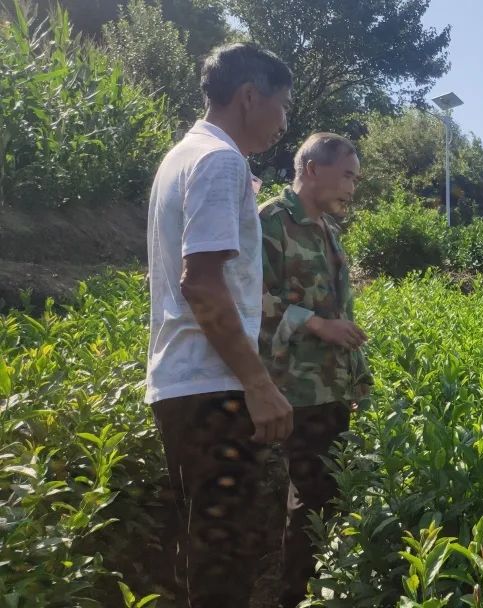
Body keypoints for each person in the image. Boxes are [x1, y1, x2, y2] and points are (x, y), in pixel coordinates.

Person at [144, 42, 294, 607]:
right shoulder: (220, 159)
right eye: (281, 106)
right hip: (214, 390)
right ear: (249, 96)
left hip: (186, 386)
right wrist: (258, 385)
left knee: (206, 553)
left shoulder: (181, 157)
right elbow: (201, 283)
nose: (283, 123)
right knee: (225, 563)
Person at [258, 132, 374, 607]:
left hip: (332, 385)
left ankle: (324, 588)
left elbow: (337, 310)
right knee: (310, 498)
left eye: (356, 178)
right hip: (294, 388)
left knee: (330, 493)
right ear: (310, 169)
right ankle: (294, 595)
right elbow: (253, 302)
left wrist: (357, 374)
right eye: (346, 175)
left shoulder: (327, 228)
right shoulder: (271, 221)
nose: (352, 187)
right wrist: (319, 326)